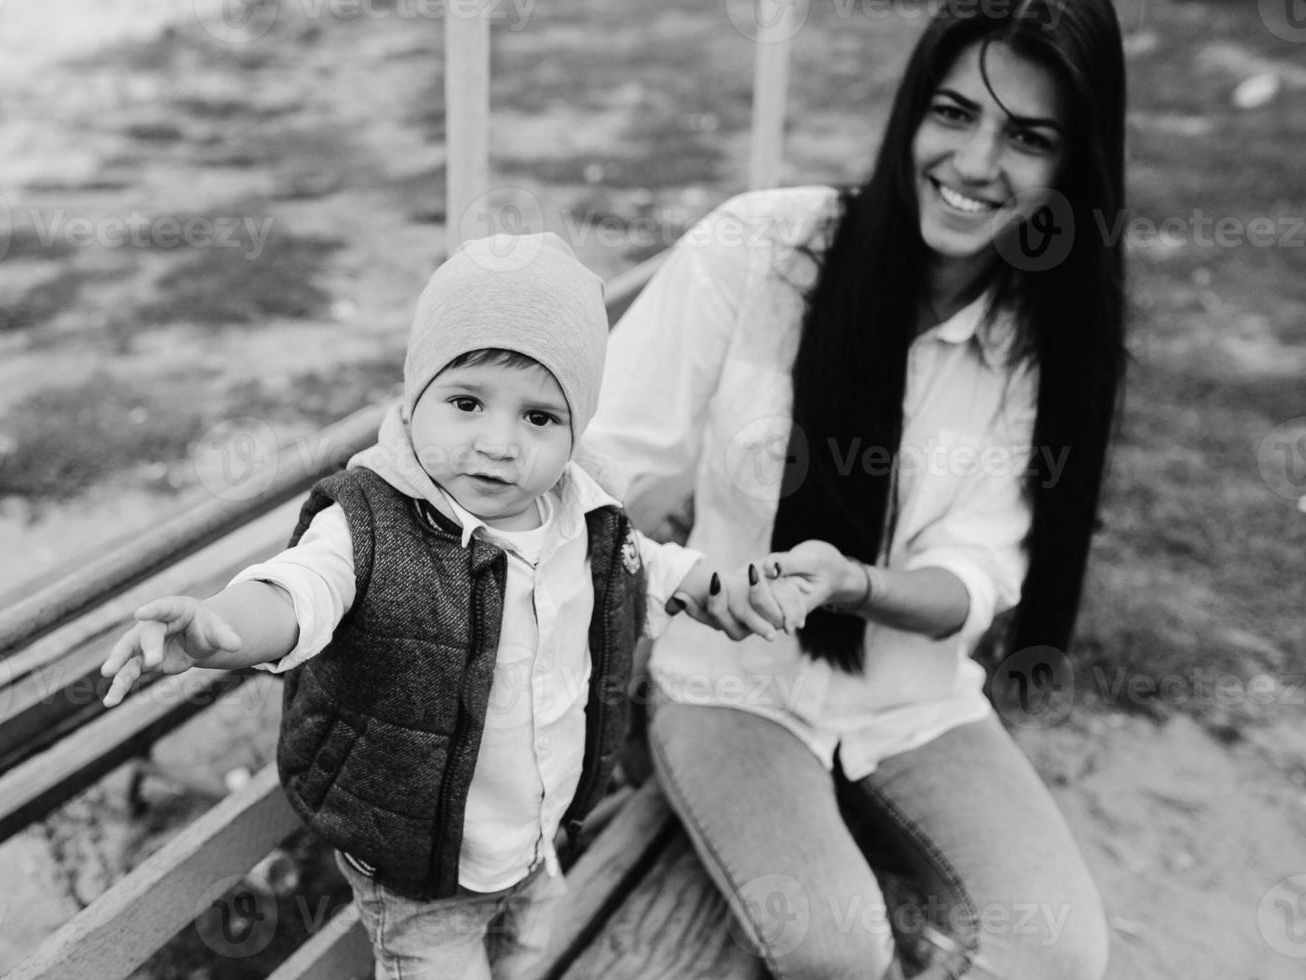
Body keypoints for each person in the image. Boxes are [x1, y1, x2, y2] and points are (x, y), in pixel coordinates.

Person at [575, 0, 1127, 976]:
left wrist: (854, 583)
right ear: (912, 109)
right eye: (953, 113)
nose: (974, 162)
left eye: (1028, 138)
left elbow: (977, 578)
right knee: (837, 948)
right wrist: (668, 543)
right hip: (728, 686)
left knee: (1060, 952)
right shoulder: (762, 247)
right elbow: (595, 450)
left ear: (1070, 167)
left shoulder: (1043, 341)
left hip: (913, 701)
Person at [99, 232, 801, 980]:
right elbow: (299, 588)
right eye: (467, 402)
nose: (499, 444)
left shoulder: (584, 514)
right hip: (417, 867)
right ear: (414, 396)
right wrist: (220, 630)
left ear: (576, 429)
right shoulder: (371, 523)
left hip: (534, 842)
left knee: (526, 957)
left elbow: (639, 565)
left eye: (540, 418)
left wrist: (706, 587)